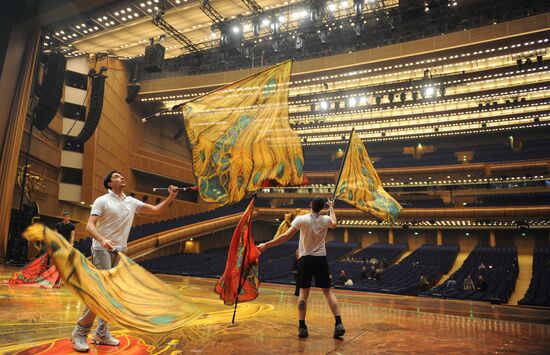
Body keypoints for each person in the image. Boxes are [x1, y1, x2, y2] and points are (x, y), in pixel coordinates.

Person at [70, 170, 179, 352]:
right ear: (109, 184)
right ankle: (80, 332)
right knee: (102, 294)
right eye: (117, 177)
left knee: (110, 295)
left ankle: (101, 333)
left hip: (119, 253)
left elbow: (156, 210)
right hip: (101, 250)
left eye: (122, 176)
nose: (121, 178)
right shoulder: (102, 200)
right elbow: (89, 225)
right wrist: (102, 239)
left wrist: (171, 196)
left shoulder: (131, 202)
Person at [257, 197, 345, 339]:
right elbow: (334, 222)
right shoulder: (325, 220)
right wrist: (332, 208)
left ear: (311, 204)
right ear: (322, 208)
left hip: (305, 260)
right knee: (328, 293)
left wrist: (266, 245)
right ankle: (339, 323)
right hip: (321, 259)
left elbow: (285, 236)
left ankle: (302, 326)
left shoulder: (302, 219)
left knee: (303, 294)